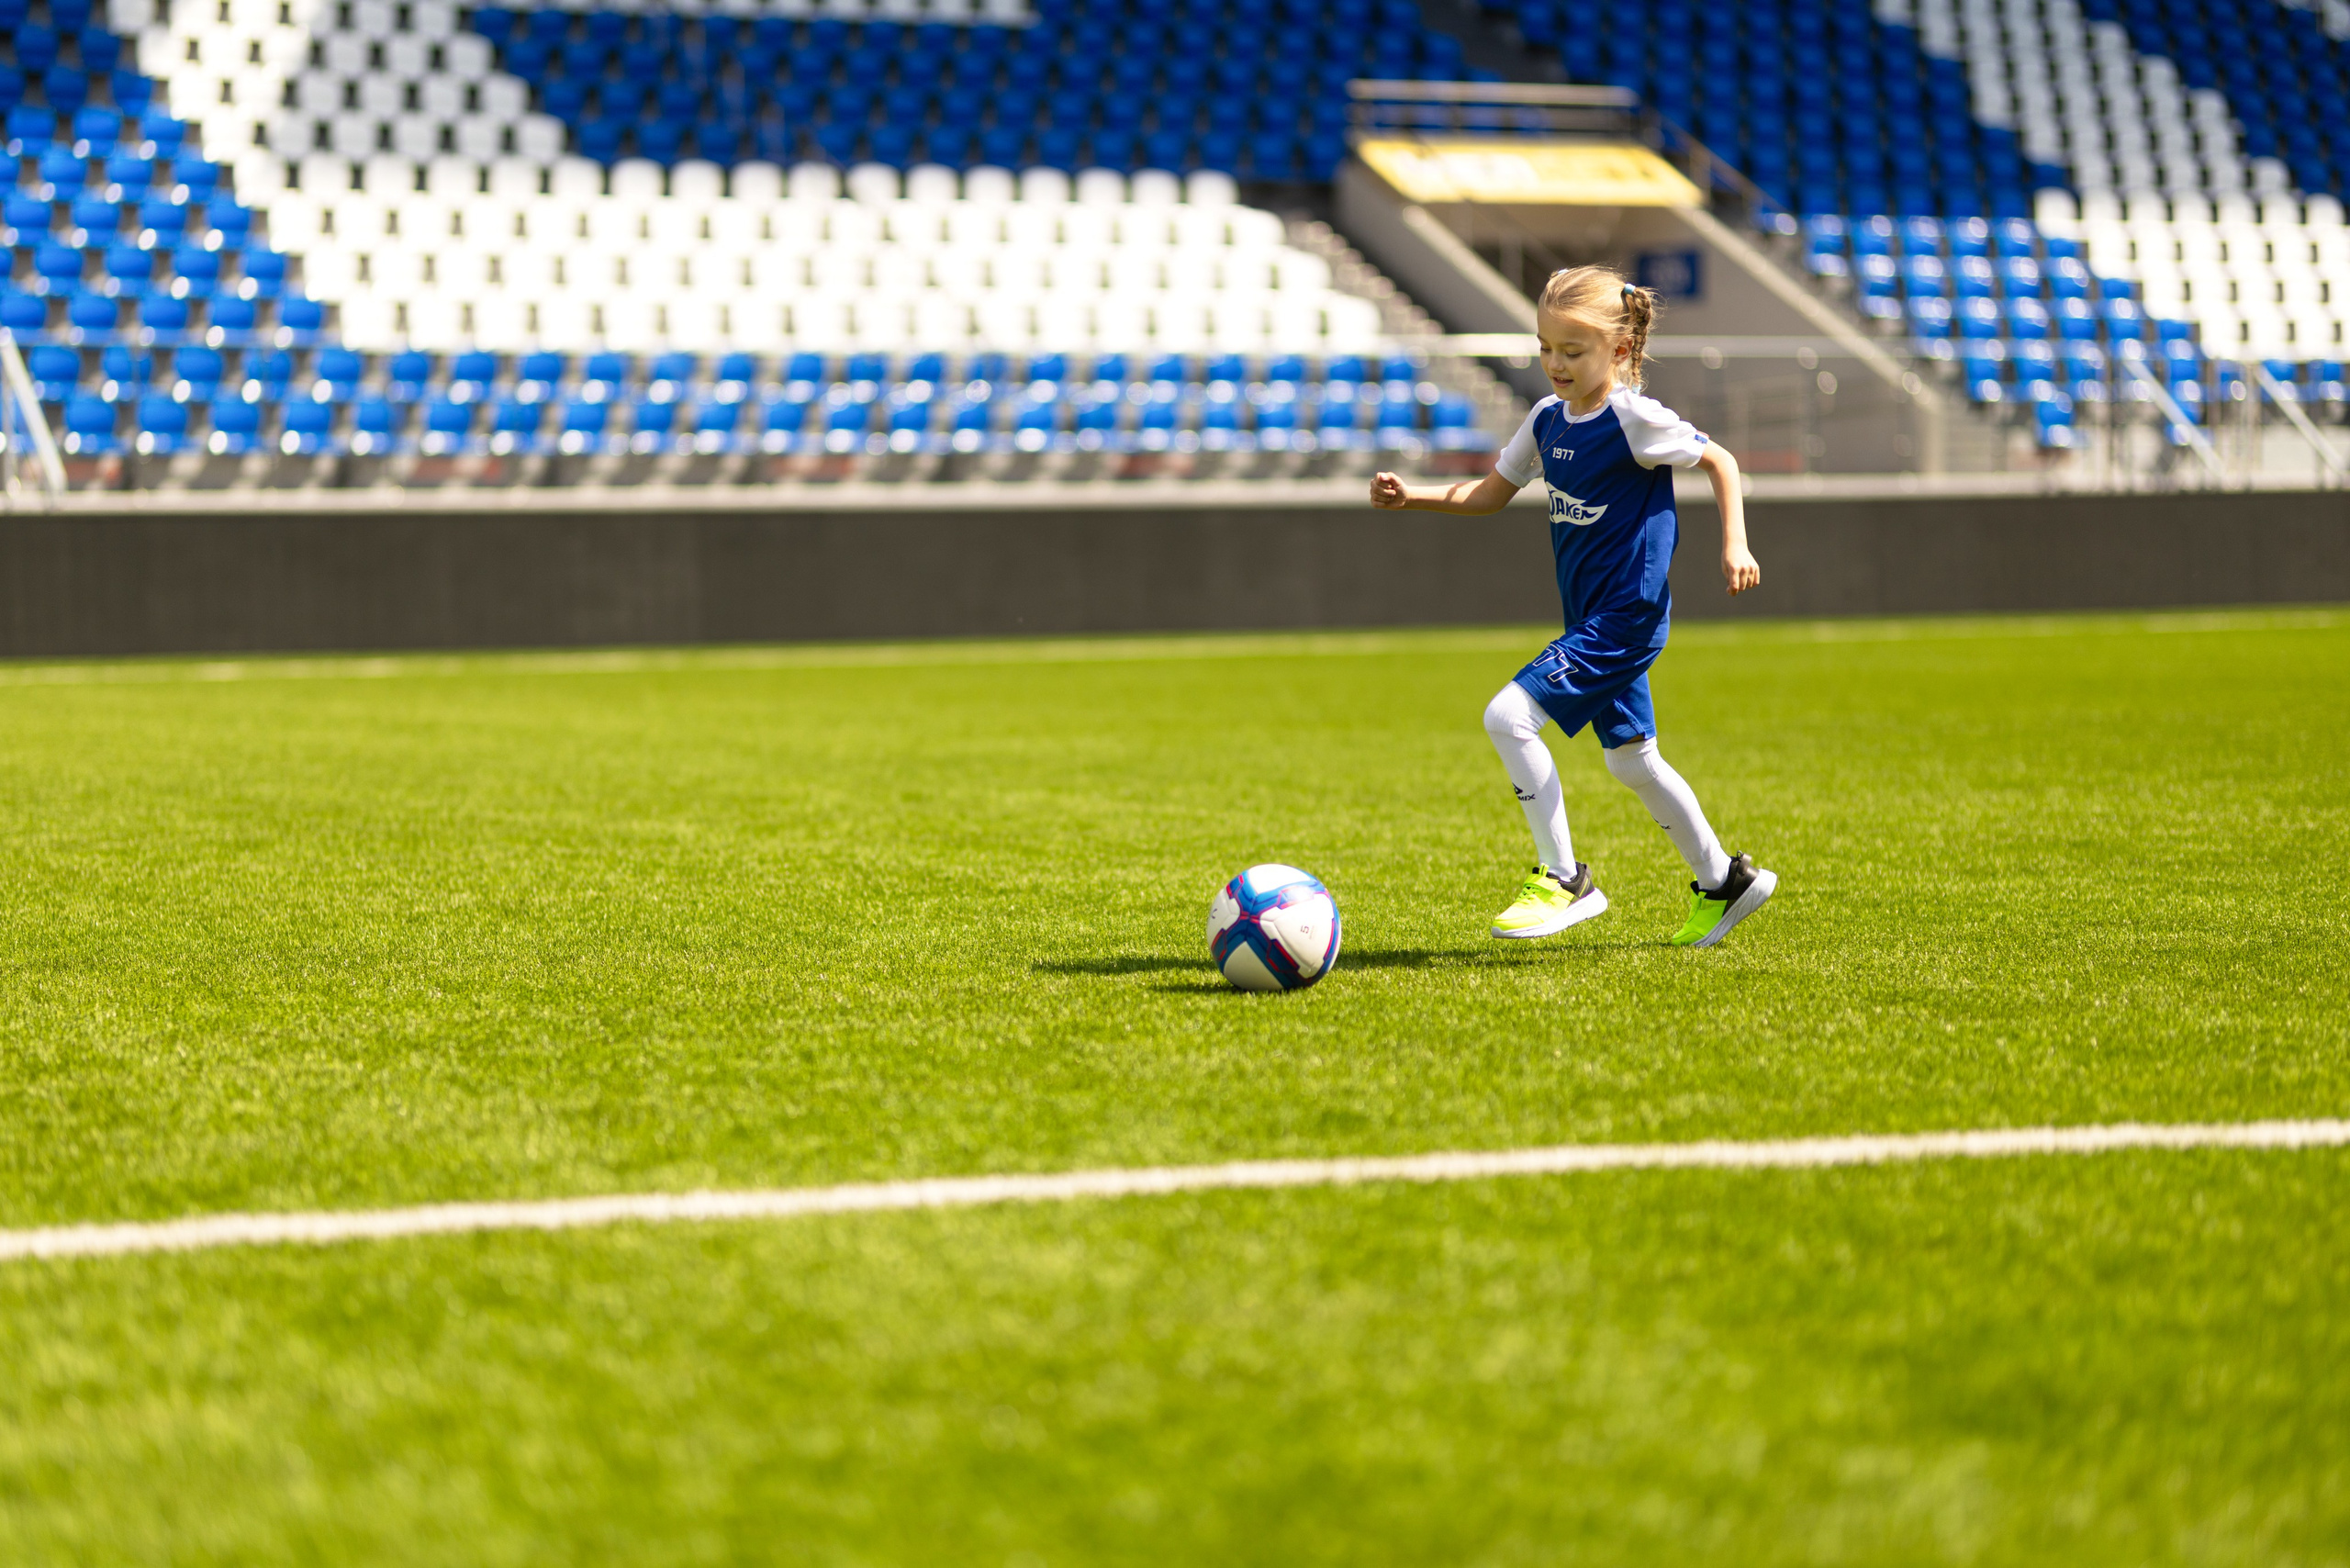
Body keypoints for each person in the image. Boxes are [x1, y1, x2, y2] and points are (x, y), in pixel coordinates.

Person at [1369, 264, 1774, 948]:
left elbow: (1721, 461)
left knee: (1507, 717)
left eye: (1572, 351)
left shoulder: (1632, 419)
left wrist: (1735, 544)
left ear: (1618, 351)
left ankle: (1564, 879)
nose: (1555, 363)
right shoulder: (1546, 421)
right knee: (1631, 761)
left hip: (1626, 616)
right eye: (1545, 347)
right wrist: (1414, 496)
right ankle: (1724, 881)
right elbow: (1491, 493)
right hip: (1590, 618)